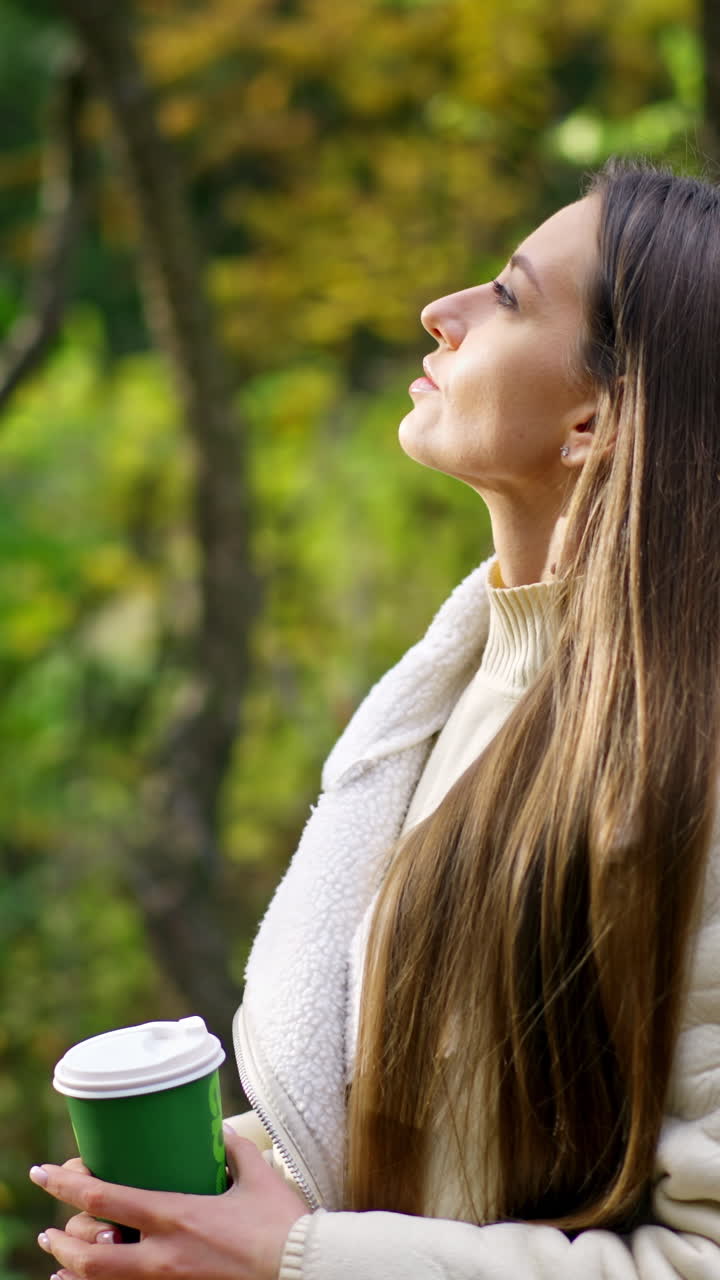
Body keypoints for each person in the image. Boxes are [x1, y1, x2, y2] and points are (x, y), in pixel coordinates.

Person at [29, 158, 720, 1278]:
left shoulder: (694, 759)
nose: (438, 314)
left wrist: (293, 1254)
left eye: (506, 297)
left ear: (594, 420)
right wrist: (210, 1196)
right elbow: (452, 1127)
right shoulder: (462, 686)